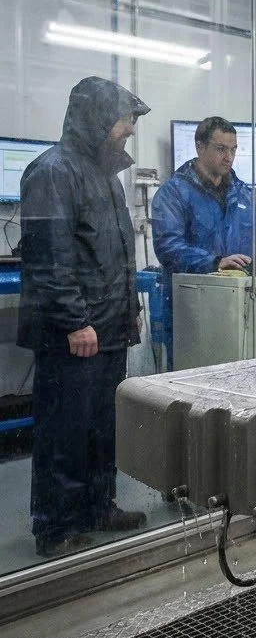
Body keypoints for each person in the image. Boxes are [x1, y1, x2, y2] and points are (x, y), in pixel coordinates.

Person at [18, 76, 151, 557]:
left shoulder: (105, 177)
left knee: (102, 426)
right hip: (71, 333)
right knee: (64, 432)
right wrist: (75, 321)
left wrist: (128, 312)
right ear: (96, 120)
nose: (130, 129)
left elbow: (120, 254)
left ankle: (98, 507)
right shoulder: (51, 172)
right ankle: (54, 528)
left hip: (108, 327)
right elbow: (50, 258)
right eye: (124, 120)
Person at [150, 116, 254, 366]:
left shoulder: (244, 195)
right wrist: (215, 262)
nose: (228, 157)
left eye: (233, 149)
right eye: (221, 149)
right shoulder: (174, 193)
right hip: (190, 312)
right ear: (200, 147)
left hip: (237, 310)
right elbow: (168, 248)